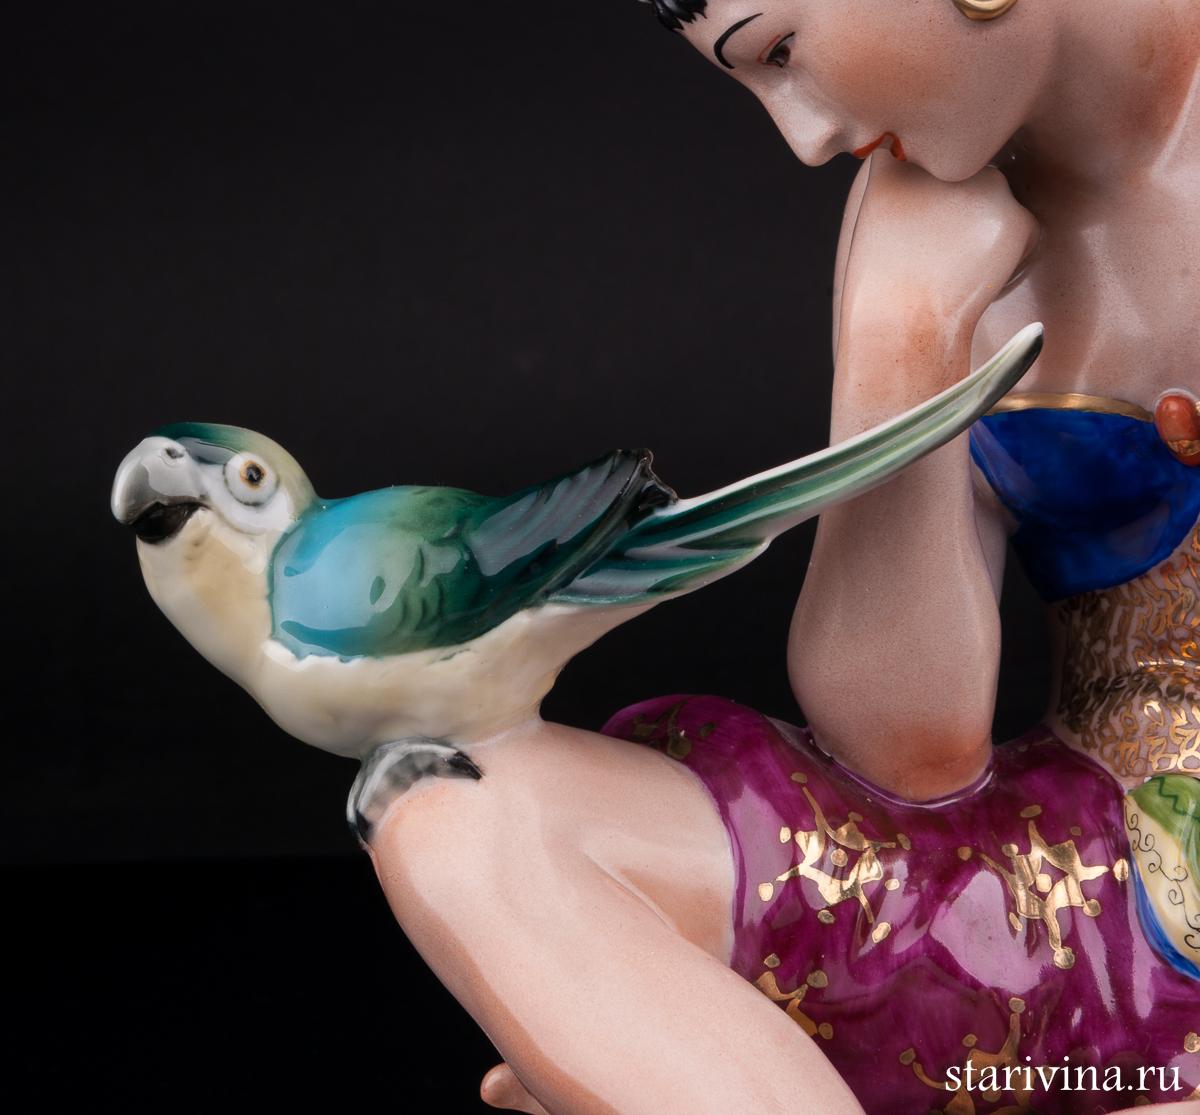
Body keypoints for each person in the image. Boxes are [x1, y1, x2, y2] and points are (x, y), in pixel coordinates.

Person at [366, 1, 1199, 1110]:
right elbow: (908, 755)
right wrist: (901, 343)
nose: (807, 139)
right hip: (1094, 896)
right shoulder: (930, 211)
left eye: (783, 51)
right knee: (461, 816)